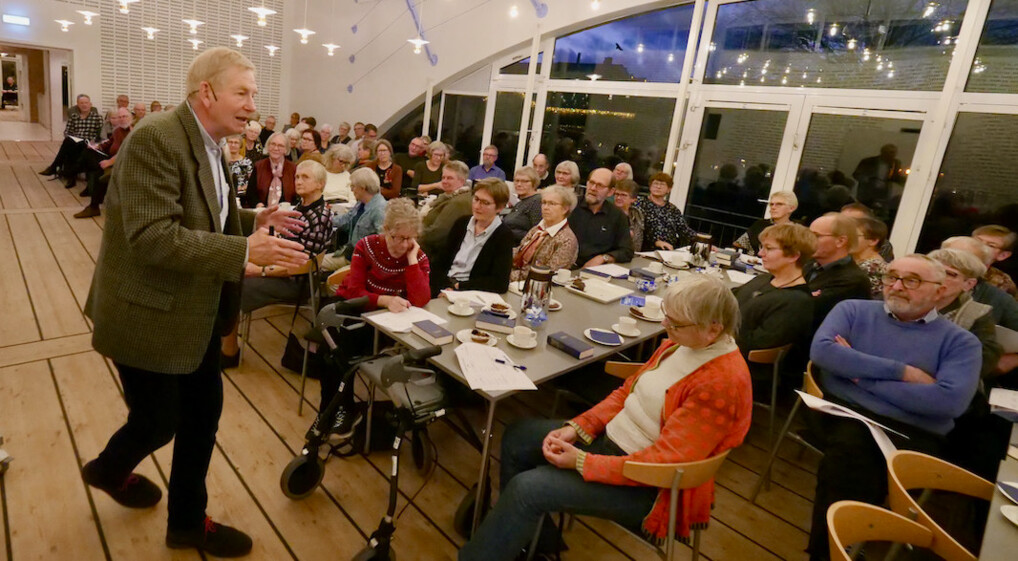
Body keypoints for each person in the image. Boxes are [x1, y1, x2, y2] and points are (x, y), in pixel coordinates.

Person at [82, 47, 309, 558]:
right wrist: (243, 249)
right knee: (158, 420)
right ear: (206, 93)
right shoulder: (156, 138)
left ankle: (186, 522)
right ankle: (108, 469)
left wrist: (254, 222)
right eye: (243, 93)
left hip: (195, 308)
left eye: (255, 93)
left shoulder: (209, 140)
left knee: (203, 414)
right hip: (148, 313)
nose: (254, 104)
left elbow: (206, 211)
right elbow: (152, 237)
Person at [459, 275, 753, 561]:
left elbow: (665, 464)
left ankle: (508, 537)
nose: (665, 326)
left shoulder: (722, 383)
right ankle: (533, 540)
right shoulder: (682, 345)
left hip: (649, 487)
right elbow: (627, 393)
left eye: (674, 323)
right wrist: (578, 427)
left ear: (713, 330)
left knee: (528, 489)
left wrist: (582, 462)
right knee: (518, 435)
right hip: (614, 447)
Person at [806, 254, 981, 561]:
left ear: (940, 291)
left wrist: (858, 375)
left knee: (861, 468)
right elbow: (823, 353)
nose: (897, 286)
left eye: (911, 280)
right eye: (891, 277)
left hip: (914, 431)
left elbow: (948, 401)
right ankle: (832, 550)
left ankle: (845, 542)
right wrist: (904, 373)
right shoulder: (854, 310)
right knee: (849, 461)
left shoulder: (961, 342)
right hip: (847, 413)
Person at [324, 199, 431, 433]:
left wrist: (412, 260)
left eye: (409, 238)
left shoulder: (417, 256)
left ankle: (339, 410)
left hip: (387, 321)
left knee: (341, 351)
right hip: (356, 307)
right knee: (334, 348)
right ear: (385, 230)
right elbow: (354, 291)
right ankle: (337, 410)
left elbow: (421, 299)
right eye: (398, 237)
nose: (403, 244)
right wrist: (384, 300)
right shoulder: (367, 246)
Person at [221, 160, 334, 364]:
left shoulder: (320, 216)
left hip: (298, 281)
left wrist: (260, 271)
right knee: (233, 270)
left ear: (320, 184)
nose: (298, 181)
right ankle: (226, 344)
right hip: (284, 270)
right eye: (297, 176)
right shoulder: (303, 207)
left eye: (305, 177)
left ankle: (229, 351)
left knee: (233, 281)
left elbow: (300, 265)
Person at [928, 248, 1008, 481]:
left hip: (949, 393)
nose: (941, 277)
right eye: (936, 270)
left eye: (951, 274)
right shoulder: (905, 298)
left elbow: (983, 359)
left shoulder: (978, 314)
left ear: (968, 284)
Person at [733, 223, 816, 382]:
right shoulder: (764, 279)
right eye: (762, 247)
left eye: (769, 249)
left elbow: (754, 346)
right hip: (723, 349)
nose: (760, 253)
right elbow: (728, 300)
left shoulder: (797, 302)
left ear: (793, 256)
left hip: (746, 372)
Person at [431, 178, 514, 295]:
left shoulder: (503, 235)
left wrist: (458, 287)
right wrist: (443, 287)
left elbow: (499, 283)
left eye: (485, 203)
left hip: (470, 292)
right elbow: (441, 261)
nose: (477, 206)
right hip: (444, 285)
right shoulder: (462, 223)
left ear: (500, 208)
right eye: (476, 199)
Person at [805, 212, 872, 326]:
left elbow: (806, 311)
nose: (808, 240)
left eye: (816, 236)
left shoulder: (853, 280)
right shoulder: (808, 265)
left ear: (840, 241)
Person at [941, 236, 1018, 330]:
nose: (951, 264)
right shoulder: (922, 285)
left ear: (983, 266)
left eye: (964, 260)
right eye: (946, 256)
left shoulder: (1001, 300)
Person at [72, 107, 134, 219]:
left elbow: (127, 152)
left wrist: (109, 162)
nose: (122, 119)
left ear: (131, 117)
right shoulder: (117, 130)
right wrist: (97, 146)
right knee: (88, 152)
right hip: (111, 158)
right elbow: (109, 143)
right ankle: (85, 181)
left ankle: (93, 206)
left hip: (124, 162)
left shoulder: (133, 132)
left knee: (99, 171)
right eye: (119, 117)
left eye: (125, 116)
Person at [321, 168, 387, 271]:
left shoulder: (379, 209)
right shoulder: (361, 203)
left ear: (362, 187)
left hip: (363, 263)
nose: (351, 190)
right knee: (316, 263)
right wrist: (324, 219)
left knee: (330, 281)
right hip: (349, 255)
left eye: (353, 186)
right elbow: (346, 219)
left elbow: (384, 243)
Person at [511, 185, 579, 282]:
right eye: (544, 203)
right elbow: (518, 252)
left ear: (565, 209)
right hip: (512, 276)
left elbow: (547, 274)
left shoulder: (567, 240)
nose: (546, 207)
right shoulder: (537, 229)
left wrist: (506, 274)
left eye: (552, 203)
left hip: (532, 286)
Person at [569, 168, 633, 268]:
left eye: (600, 185)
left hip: (597, 272)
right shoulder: (570, 206)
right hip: (565, 268)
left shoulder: (617, 215)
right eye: (591, 183)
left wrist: (603, 258)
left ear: (610, 192)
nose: (593, 188)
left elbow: (627, 251)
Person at [39, 94, 104, 178]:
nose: (84, 105)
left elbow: (99, 133)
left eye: (86, 103)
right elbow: (67, 131)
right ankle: (65, 171)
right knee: (68, 141)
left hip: (88, 142)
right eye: (81, 103)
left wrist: (93, 142)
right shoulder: (74, 117)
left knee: (68, 143)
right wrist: (71, 137)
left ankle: (54, 167)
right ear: (78, 105)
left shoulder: (97, 117)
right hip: (74, 141)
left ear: (90, 104)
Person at [420, 161, 473, 263]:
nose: (444, 181)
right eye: (443, 177)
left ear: (461, 181)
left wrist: (413, 237)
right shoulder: (448, 197)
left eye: (450, 178)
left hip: (434, 256)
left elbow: (438, 233)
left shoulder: (458, 202)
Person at [633, 172, 695, 252]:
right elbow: (637, 228)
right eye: (655, 183)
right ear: (650, 186)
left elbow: (684, 230)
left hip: (668, 251)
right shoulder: (640, 203)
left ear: (669, 189)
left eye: (662, 184)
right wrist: (656, 241)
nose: (658, 187)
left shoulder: (673, 209)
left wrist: (702, 242)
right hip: (646, 250)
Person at [734, 191, 798, 255]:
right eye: (771, 204)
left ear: (791, 208)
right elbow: (738, 244)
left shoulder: (795, 231)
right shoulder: (760, 224)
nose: (773, 207)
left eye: (779, 204)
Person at [245, 131, 297, 209]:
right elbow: (250, 194)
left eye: (280, 146)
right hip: (262, 212)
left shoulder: (293, 168)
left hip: (286, 213)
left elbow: (298, 196)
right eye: (273, 144)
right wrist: (259, 205)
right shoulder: (259, 166)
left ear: (286, 150)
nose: (276, 148)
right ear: (268, 146)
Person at [852, 143, 905, 210]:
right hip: (867, 193)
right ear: (883, 152)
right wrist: (867, 179)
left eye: (894, 153)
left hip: (882, 194)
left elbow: (896, 178)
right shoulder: (868, 162)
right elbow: (856, 174)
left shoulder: (895, 163)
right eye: (890, 153)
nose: (892, 155)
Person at [972, 225, 1018, 297]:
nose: (979, 247)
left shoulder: (1002, 282)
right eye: (976, 241)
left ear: (1003, 255)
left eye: (991, 245)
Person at [851, 216, 889, 299]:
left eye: (854, 235)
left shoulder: (872, 267)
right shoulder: (855, 261)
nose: (848, 239)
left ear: (873, 241)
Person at [503, 167, 543, 243]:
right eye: (516, 181)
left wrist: (507, 232)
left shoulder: (537, 201)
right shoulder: (520, 203)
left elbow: (536, 233)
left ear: (534, 183)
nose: (519, 184)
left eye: (525, 181)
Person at [612, 179, 644, 253]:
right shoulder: (609, 212)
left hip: (634, 255)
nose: (618, 198)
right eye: (617, 194)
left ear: (633, 199)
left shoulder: (637, 215)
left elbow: (637, 240)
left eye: (623, 195)